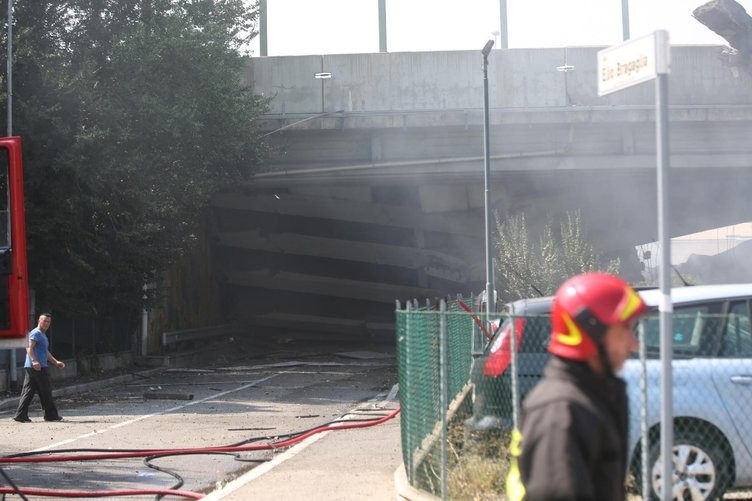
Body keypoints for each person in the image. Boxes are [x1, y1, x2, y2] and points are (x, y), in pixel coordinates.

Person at [506, 272, 647, 501]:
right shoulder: (560, 413)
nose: (633, 344)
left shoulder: (589, 398)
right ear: (590, 331)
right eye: (624, 331)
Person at [13, 313, 65, 422]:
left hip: (36, 366)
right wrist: (34, 361)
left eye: (48, 322)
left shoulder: (43, 335)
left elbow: (45, 352)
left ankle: (21, 414)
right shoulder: (36, 333)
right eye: (44, 321)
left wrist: (55, 362)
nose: (46, 323)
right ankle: (51, 415)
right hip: (36, 367)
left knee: (29, 391)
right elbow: (28, 347)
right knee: (45, 390)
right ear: (39, 321)